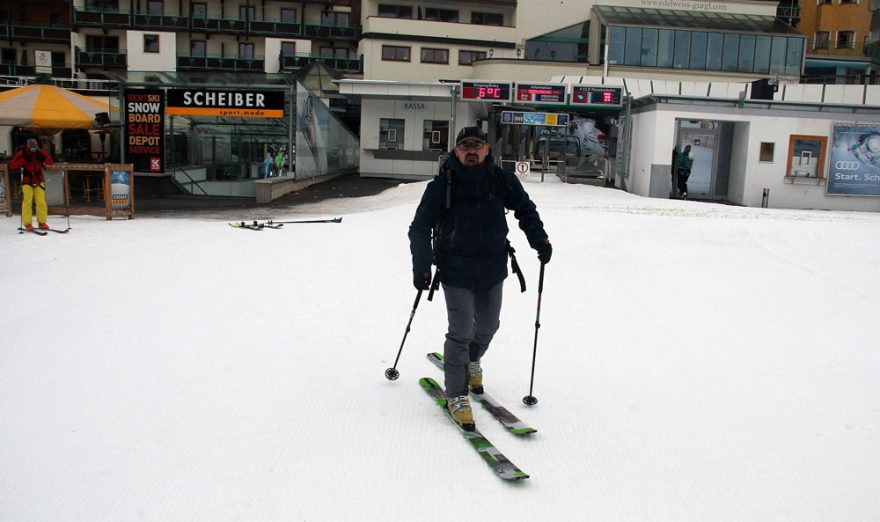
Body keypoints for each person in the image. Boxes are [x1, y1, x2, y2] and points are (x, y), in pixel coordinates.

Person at [408, 127, 552, 431]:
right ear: (456, 151)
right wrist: (421, 266)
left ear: (487, 149)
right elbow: (419, 228)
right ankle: (457, 395)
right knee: (461, 331)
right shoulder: (442, 185)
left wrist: (539, 240)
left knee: (488, 326)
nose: (471, 151)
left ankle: (472, 362)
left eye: (477, 145)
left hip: (492, 266)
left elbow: (525, 210)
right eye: (464, 146)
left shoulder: (500, 179)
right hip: (455, 269)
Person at [11, 137, 53, 231]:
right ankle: (27, 223)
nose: (33, 149)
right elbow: (12, 165)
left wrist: (44, 156)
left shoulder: (40, 152)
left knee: (41, 202)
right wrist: (23, 160)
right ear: (28, 146)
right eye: (32, 147)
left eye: (35, 146)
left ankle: (42, 222)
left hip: (39, 180)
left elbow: (50, 162)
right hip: (27, 180)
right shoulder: (22, 153)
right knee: (27, 202)